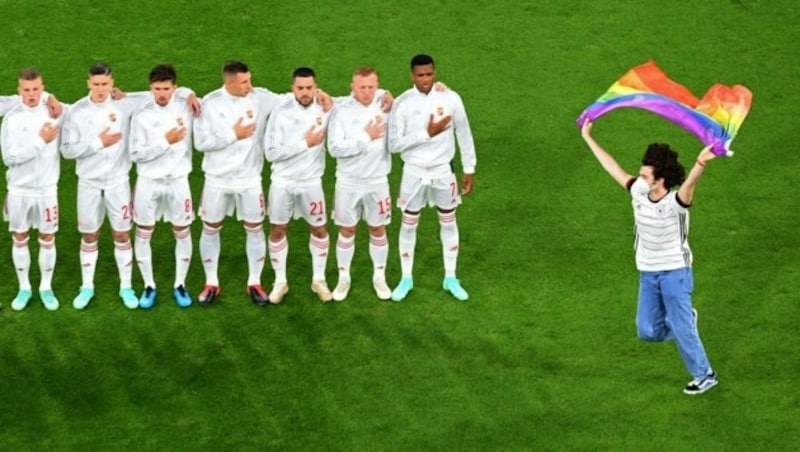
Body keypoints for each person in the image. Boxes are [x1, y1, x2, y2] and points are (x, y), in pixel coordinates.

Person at [580, 119, 719, 395]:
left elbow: (690, 183)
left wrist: (701, 162)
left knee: (680, 326)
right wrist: (588, 137)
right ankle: (684, 323)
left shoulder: (675, 203)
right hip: (647, 273)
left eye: (645, 177)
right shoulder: (637, 191)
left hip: (675, 273)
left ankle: (705, 374)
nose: (639, 180)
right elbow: (611, 167)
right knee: (647, 331)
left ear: (661, 180)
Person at [60, 63, 199, 310]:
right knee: (90, 235)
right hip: (90, 183)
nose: (101, 89)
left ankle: (140, 286)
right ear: (88, 83)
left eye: (105, 84)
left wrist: (188, 93)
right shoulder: (78, 110)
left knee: (125, 234)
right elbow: (67, 150)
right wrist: (97, 143)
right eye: (96, 84)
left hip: (122, 182)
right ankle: (88, 287)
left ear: (113, 84)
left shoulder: (128, 103)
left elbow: (182, 93)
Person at [192, 60, 285, 306]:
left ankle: (254, 282)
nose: (250, 85)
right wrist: (234, 134)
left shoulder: (259, 98)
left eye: (250, 79)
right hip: (217, 179)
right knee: (211, 227)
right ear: (229, 82)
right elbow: (200, 143)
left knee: (254, 228)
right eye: (244, 82)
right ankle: (211, 282)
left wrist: (320, 95)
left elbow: (291, 99)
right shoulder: (209, 104)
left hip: (249, 179)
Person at [387, 54, 476, 302]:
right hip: (413, 172)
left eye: (429, 74)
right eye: (420, 75)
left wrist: (469, 168)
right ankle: (406, 278)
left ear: (434, 72)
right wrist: (427, 134)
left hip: (442, 171)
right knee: (408, 224)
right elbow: (394, 145)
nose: (425, 79)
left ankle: (450, 277)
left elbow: (464, 132)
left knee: (448, 222)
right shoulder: (402, 103)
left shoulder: (450, 98)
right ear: (412, 76)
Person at [129, 64, 197, 309]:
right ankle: (149, 285)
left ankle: (180, 284)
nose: (162, 94)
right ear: (150, 88)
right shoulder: (142, 114)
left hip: (178, 181)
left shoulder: (185, 105)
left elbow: (193, 95)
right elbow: (135, 154)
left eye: (166, 89)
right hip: (149, 182)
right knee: (144, 232)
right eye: (157, 89)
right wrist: (164, 142)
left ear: (174, 88)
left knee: (182, 230)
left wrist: (188, 93)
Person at [264, 67, 334, 303]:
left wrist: (385, 94)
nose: (305, 93)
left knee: (319, 229)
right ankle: (280, 282)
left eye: (310, 88)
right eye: (300, 88)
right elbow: (271, 153)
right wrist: (306, 143)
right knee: (277, 230)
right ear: (292, 88)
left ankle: (319, 279)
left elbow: (359, 97)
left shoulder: (325, 108)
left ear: (316, 87)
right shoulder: (280, 112)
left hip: (312, 183)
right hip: (282, 183)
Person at [326, 66, 393, 301]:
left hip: (377, 182)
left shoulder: (386, 106)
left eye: (371, 87)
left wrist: (440, 87)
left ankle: (379, 277)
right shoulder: (341, 112)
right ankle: (344, 279)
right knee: (347, 230)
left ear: (378, 86)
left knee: (378, 229)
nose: (367, 92)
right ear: (352, 87)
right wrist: (366, 136)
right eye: (362, 87)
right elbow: (334, 148)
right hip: (348, 182)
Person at [0, 69, 64, 311]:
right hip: (19, 190)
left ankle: (46, 288)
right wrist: (40, 141)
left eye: (36, 89)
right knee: (19, 237)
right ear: (19, 91)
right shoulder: (12, 118)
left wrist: (51, 98)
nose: (31, 94)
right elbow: (9, 158)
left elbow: (87, 104)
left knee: (47, 238)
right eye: (26, 90)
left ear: (43, 88)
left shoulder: (55, 112)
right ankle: (24, 288)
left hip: (47, 190)